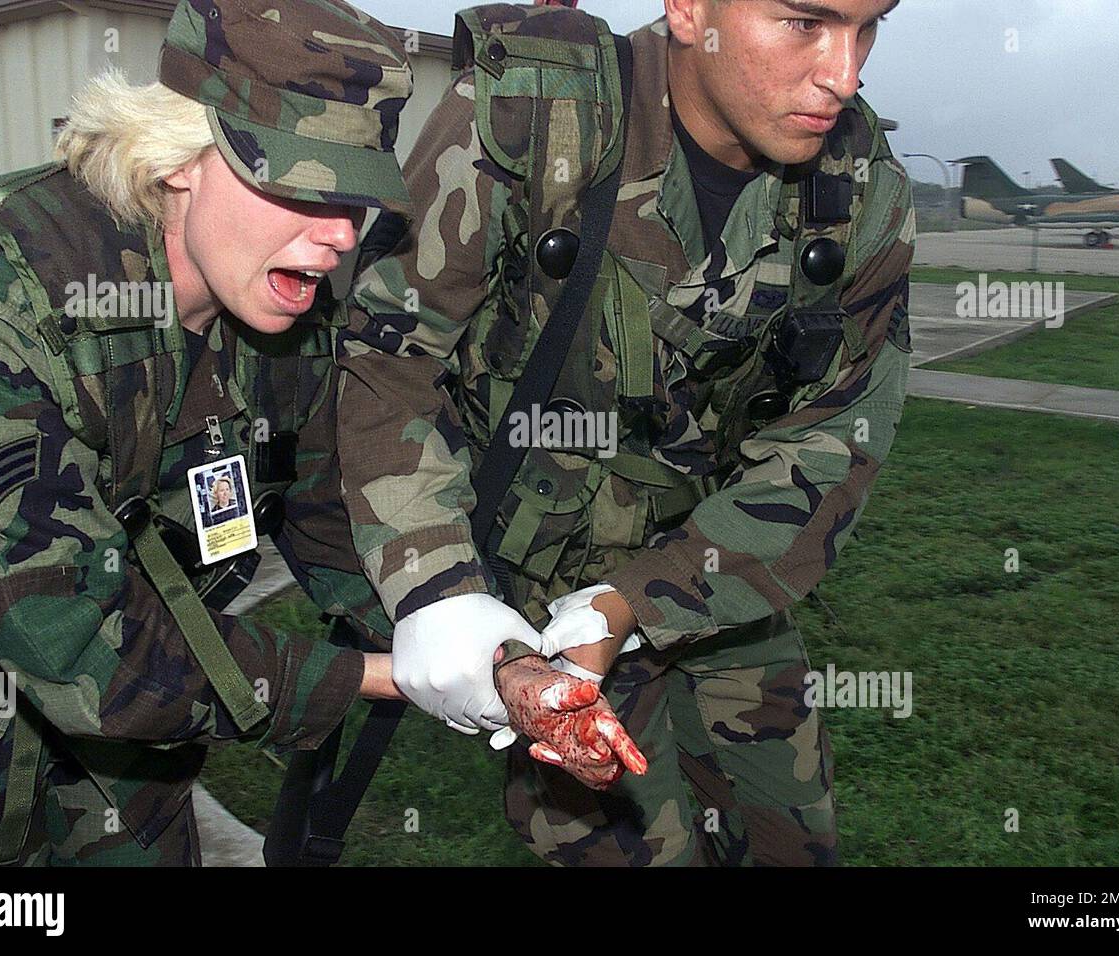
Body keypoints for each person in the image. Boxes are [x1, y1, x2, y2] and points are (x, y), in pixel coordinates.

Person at [0, 0, 636, 867]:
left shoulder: (285, 310)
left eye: (360, 198)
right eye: (301, 187)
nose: (339, 238)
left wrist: (493, 654)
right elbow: (79, 649)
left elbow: (323, 517)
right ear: (181, 158)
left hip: (132, 768)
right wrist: (385, 676)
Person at [337, 0, 915, 865]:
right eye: (806, 23)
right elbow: (390, 362)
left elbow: (834, 438)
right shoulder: (529, 113)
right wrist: (439, 594)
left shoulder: (859, 189)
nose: (846, 74)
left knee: (793, 844)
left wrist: (631, 602)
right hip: (527, 588)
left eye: (868, 29)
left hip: (721, 571)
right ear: (689, 9)